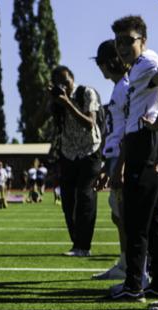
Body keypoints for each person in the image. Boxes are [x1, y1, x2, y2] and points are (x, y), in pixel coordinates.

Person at [105, 16, 158, 301]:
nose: (122, 47)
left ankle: (133, 285)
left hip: (145, 142)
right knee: (154, 218)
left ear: (142, 39)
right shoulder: (137, 69)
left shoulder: (147, 63)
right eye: (118, 42)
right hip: (141, 141)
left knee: (135, 218)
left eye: (128, 40)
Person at [46, 65, 102, 257]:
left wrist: (67, 103)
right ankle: (76, 242)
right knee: (67, 200)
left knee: (85, 196)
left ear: (72, 78)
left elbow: (89, 123)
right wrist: (49, 99)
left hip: (90, 150)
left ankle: (83, 246)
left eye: (66, 82)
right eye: (59, 84)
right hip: (68, 152)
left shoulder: (87, 92)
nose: (64, 87)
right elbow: (36, 123)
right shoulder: (57, 100)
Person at [91, 39, 129, 281]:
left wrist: (120, 165)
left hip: (124, 158)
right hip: (115, 157)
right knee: (118, 214)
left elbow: (129, 128)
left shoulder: (126, 86)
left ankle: (135, 267)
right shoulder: (118, 87)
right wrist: (107, 163)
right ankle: (126, 262)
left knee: (127, 215)